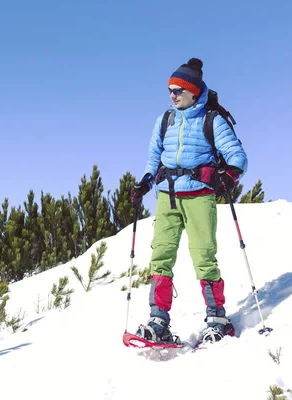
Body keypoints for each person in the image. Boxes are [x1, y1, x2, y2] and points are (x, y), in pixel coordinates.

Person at [130, 58, 248, 343]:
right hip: (167, 198)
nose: (173, 95)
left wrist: (226, 176)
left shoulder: (212, 120)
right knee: (161, 257)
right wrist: (145, 182)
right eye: (170, 89)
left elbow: (238, 157)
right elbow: (153, 158)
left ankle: (217, 318)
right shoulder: (165, 120)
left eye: (178, 90)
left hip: (199, 197)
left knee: (203, 257)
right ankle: (158, 320)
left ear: (194, 91)